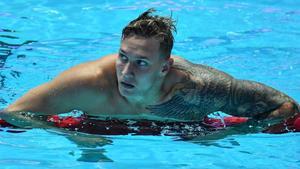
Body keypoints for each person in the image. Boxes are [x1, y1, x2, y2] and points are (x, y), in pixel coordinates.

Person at [0, 8, 299, 131]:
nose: (126, 72)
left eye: (141, 63)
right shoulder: (85, 84)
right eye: (122, 57)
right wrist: (72, 136)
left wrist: (226, 135)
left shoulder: (201, 88)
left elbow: (287, 107)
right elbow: (11, 113)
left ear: (165, 67)